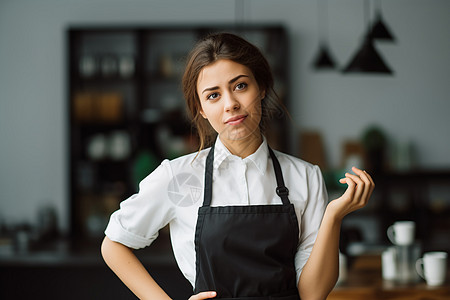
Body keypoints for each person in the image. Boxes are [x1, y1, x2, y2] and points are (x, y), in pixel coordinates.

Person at [101, 32, 375, 300]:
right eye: (213, 95)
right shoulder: (180, 177)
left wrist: (334, 217)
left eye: (240, 86)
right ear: (200, 109)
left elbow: (313, 294)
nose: (231, 104)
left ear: (262, 87)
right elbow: (114, 244)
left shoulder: (305, 177)